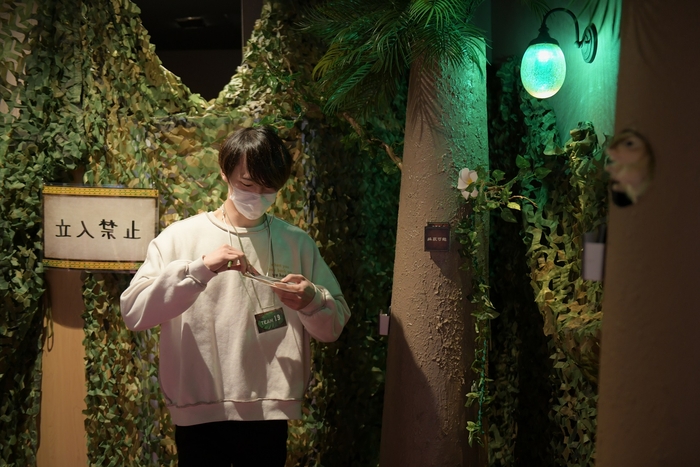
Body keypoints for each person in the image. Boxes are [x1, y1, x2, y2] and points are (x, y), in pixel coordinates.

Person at [120, 126, 351, 466]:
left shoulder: (295, 242)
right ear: (224, 173)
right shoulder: (180, 237)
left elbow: (333, 326)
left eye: (269, 187)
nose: (258, 194)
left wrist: (313, 301)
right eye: (248, 184)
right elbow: (134, 312)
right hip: (197, 410)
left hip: (269, 411)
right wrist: (198, 270)